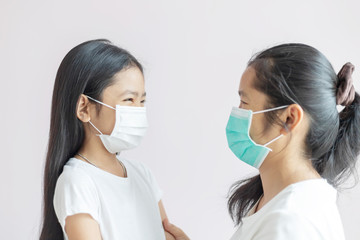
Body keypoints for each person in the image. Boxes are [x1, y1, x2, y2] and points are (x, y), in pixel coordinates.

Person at [164, 43, 360, 240]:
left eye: (245, 103)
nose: (237, 113)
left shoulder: (289, 222)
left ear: (289, 119)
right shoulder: (281, 198)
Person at [39, 39, 174, 240]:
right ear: (84, 107)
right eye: (129, 100)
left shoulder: (142, 174)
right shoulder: (78, 182)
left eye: (142, 101)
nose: (139, 111)